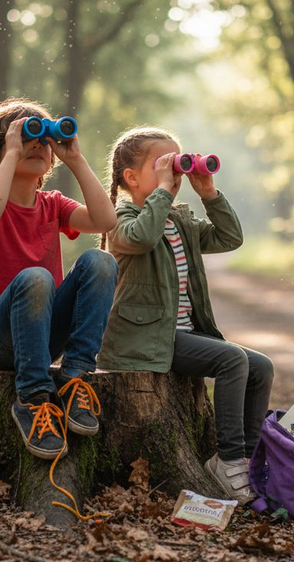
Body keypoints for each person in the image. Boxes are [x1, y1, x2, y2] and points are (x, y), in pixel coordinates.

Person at [97, 127, 274, 503]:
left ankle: (249, 458)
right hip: (144, 338)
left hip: (181, 333)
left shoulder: (178, 220)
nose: (174, 174)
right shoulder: (120, 217)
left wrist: (208, 193)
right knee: (232, 360)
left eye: (176, 165)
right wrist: (163, 190)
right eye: (163, 165)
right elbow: (143, 237)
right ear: (131, 177)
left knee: (261, 366)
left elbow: (229, 238)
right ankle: (227, 461)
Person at [0, 98, 117, 461]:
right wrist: (12, 153)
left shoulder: (52, 204)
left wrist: (75, 159)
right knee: (36, 278)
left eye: (42, 140)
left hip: (45, 338)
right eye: (23, 138)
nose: (35, 145)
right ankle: (32, 398)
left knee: (101, 261)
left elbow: (105, 221)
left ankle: (75, 376)